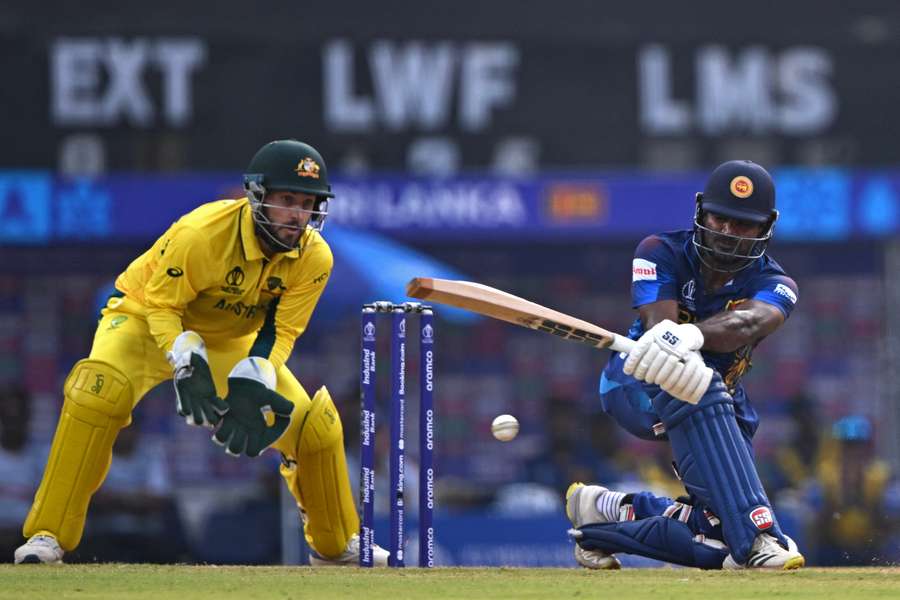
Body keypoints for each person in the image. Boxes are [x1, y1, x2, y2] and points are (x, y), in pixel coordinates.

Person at [14, 139, 389, 566]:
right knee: (98, 393)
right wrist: (184, 358)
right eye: (287, 200)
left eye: (307, 203)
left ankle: (335, 545)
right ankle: (48, 536)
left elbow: (282, 329)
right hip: (143, 319)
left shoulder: (315, 257)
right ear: (257, 196)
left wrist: (257, 374)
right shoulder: (202, 234)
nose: (297, 215)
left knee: (313, 426)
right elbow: (161, 305)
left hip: (228, 339)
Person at [565, 160, 805, 570]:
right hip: (636, 383)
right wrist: (674, 337)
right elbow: (659, 328)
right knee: (695, 380)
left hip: (721, 404)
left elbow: (752, 320)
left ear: (767, 225)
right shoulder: (659, 250)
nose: (729, 233)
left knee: (717, 539)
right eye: (721, 218)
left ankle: (604, 516)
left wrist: (694, 335)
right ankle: (760, 538)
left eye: (744, 224)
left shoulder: (777, 284)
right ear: (700, 211)